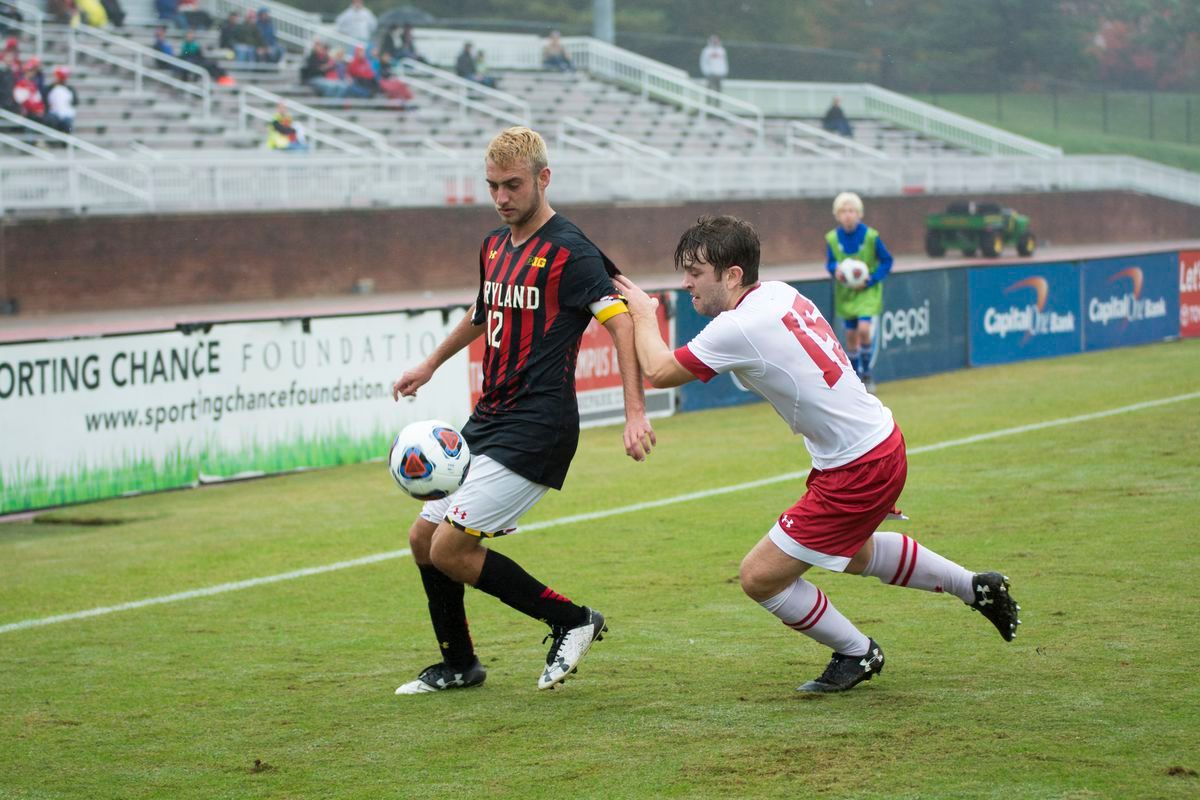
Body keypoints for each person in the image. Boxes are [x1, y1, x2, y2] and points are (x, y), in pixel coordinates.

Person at [613, 215, 1021, 694]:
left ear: (733, 275)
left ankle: (858, 652)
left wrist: (642, 313)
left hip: (858, 463)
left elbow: (659, 371)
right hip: (876, 442)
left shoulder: (739, 326)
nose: (686, 284)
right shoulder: (781, 293)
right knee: (852, 553)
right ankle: (976, 587)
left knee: (759, 577)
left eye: (696, 272)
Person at [390, 126, 655, 695]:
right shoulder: (493, 245)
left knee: (451, 549)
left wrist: (636, 412)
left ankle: (571, 619)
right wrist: (431, 364)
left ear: (543, 178)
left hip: (539, 427)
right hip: (488, 419)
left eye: (512, 185)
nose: (502, 197)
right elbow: (483, 311)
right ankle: (460, 664)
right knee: (422, 540)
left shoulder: (571, 252)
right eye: (493, 187)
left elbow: (623, 322)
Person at [825, 192, 893, 391]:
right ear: (838, 215)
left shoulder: (871, 236)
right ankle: (856, 378)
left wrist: (872, 279)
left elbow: (887, 261)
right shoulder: (832, 238)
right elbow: (829, 263)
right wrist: (834, 271)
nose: (848, 215)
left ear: (859, 214)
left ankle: (867, 374)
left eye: (852, 211)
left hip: (866, 291)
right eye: (844, 211)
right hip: (846, 294)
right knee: (851, 336)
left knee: (864, 330)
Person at [43, 66, 77, 133]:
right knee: (52, 121)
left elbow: (75, 102)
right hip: (53, 114)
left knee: (67, 125)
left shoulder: (70, 89)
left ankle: (65, 142)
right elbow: (45, 100)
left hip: (66, 115)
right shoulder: (50, 88)